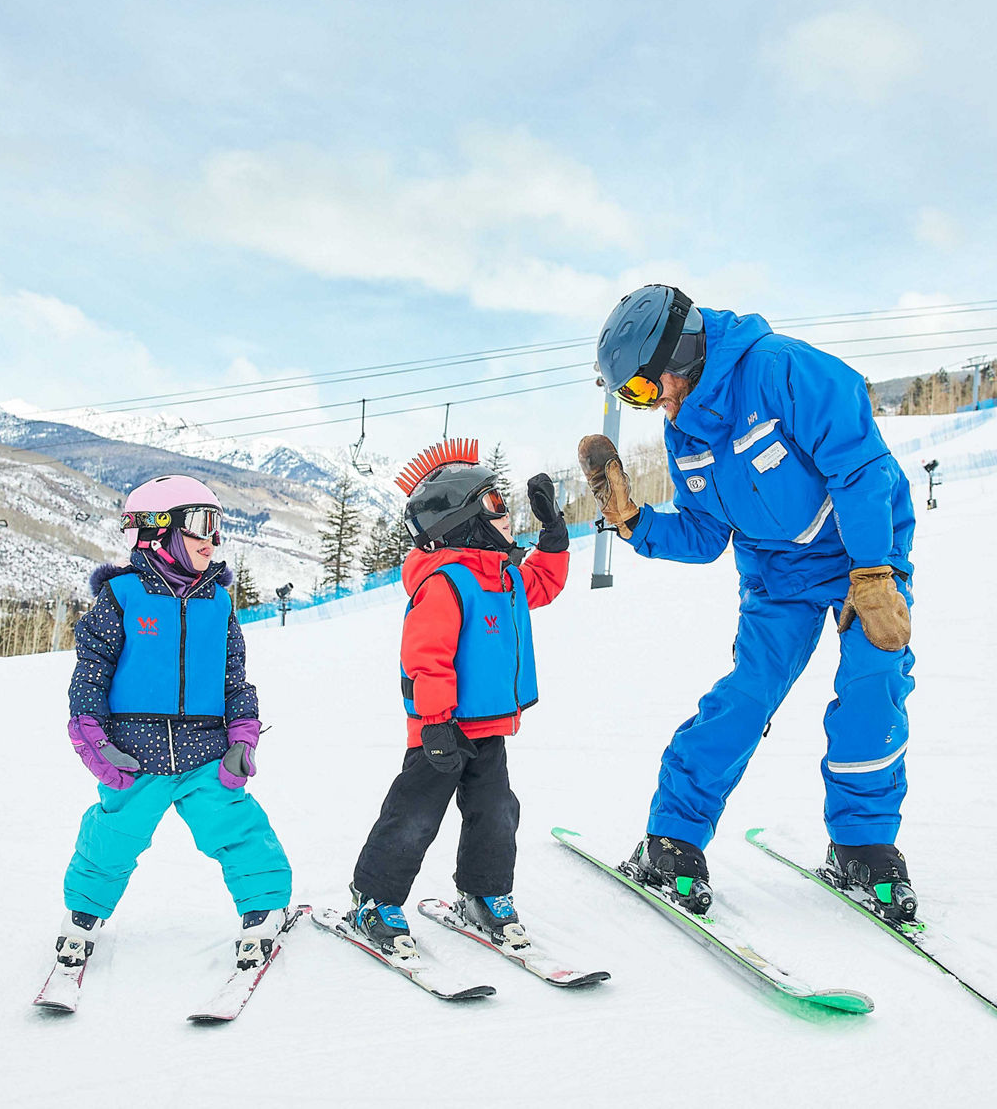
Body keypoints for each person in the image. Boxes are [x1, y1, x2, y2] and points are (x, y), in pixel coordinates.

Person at [579, 284, 918, 922]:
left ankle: (863, 845)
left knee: (873, 685)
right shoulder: (687, 436)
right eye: (632, 398)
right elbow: (707, 535)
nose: (652, 407)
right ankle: (674, 836)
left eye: (647, 389)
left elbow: (860, 469)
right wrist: (633, 523)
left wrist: (875, 571)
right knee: (747, 694)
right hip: (776, 574)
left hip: (860, 556)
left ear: (681, 353)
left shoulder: (781, 368)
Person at [50, 474, 293, 980]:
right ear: (157, 532)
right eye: (202, 524)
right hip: (134, 755)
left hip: (206, 753)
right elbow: (91, 673)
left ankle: (263, 906)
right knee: (113, 835)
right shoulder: (122, 597)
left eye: (218, 525)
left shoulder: (219, 603)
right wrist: (93, 740)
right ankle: (84, 914)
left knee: (239, 829)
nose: (213, 539)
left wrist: (242, 736)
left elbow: (235, 677)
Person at [346, 439, 569, 955]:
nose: (507, 514)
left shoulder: (504, 576)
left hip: (488, 727)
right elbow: (426, 657)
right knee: (415, 815)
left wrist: (553, 536)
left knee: (496, 812)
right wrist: (434, 722)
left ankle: (484, 892)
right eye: (494, 505)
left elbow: (543, 584)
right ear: (462, 520)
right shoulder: (445, 584)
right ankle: (374, 896)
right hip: (440, 731)